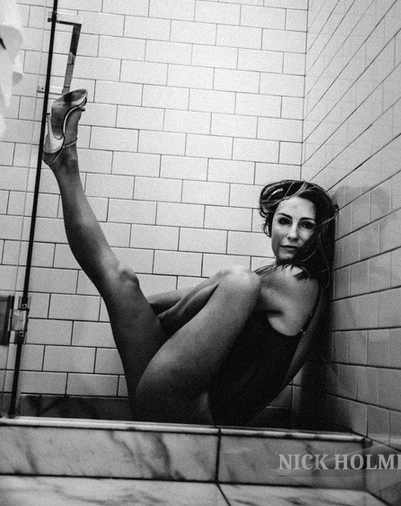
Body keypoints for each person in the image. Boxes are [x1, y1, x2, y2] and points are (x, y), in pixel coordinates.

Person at [43, 89, 338, 426]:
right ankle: (64, 163)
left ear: (318, 233)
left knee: (240, 281)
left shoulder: (299, 281)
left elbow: (213, 292)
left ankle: (65, 164)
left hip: (196, 412)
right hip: (171, 396)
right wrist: (136, 307)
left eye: (306, 226)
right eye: (284, 221)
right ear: (270, 227)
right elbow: (194, 296)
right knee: (122, 280)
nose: (293, 234)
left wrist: (154, 318)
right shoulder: (275, 276)